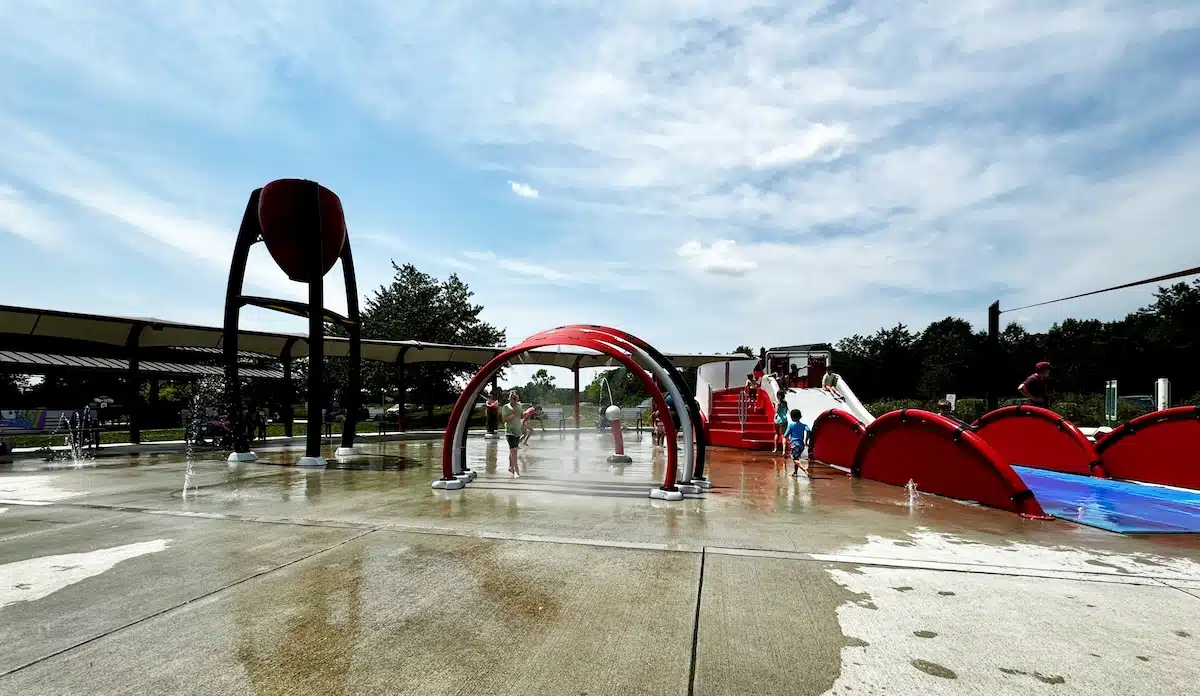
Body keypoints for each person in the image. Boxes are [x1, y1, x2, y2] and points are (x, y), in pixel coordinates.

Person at [500, 390, 524, 477]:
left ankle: (510, 467)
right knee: (514, 450)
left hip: (517, 431)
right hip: (510, 431)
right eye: (512, 396)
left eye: (515, 397)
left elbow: (521, 416)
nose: (514, 398)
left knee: (512, 450)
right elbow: (504, 419)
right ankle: (516, 470)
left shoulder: (520, 406)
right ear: (509, 398)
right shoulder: (506, 407)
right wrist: (513, 414)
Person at [784, 409, 810, 477]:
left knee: (795, 459)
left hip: (795, 445)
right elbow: (808, 430)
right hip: (801, 445)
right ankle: (795, 472)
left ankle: (805, 470)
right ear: (800, 416)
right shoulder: (803, 425)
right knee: (797, 458)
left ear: (792, 417)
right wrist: (806, 440)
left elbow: (785, 435)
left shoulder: (791, 425)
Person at [772, 389, 789, 454]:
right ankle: (784, 451)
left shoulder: (778, 404)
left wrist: (774, 405)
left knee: (777, 434)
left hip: (778, 420)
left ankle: (775, 448)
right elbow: (786, 411)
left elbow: (777, 412)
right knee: (784, 435)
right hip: (784, 420)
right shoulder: (785, 403)